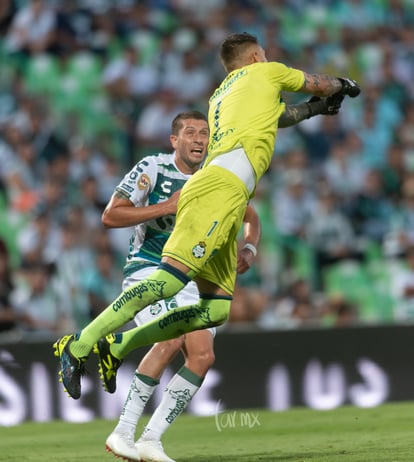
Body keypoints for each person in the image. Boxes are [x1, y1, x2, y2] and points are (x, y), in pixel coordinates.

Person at [54, 32, 360, 406]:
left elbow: (280, 116)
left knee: (215, 310)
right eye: (262, 56)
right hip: (218, 187)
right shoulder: (267, 73)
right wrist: (343, 86)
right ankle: (78, 344)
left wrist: (314, 110)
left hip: (225, 189)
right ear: (255, 57)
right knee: (166, 284)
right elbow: (318, 82)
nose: (265, 61)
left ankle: (119, 344)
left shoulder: (221, 96)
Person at [100, 110, 260, 462]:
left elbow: (251, 215)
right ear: (175, 140)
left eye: (205, 133)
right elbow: (111, 215)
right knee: (169, 338)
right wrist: (165, 207)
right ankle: (123, 431)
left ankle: (151, 440)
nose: (200, 139)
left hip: (190, 278)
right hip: (148, 270)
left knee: (203, 356)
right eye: (191, 132)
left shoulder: (215, 177)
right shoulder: (153, 168)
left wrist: (249, 246)